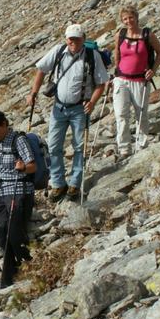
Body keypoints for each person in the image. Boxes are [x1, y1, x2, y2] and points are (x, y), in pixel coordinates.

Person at [27, 23, 108, 202]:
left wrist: (92, 102)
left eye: (77, 39)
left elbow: (101, 83)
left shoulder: (92, 56)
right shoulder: (58, 51)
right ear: (66, 39)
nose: (73, 42)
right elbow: (41, 69)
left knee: (79, 146)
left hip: (80, 109)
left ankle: (75, 183)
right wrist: (33, 92)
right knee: (54, 146)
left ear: (83, 39)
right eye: (70, 39)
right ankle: (58, 183)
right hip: (59, 107)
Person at [0, 110, 35, 288]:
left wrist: (23, 167)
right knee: (1, 231)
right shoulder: (0, 142)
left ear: (4, 124)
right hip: (1, 190)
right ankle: (13, 272)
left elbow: (32, 166)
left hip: (18, 188)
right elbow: (0, 158)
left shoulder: (19, 140)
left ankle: (24, 265)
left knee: (13, 230)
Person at [112, 5, 160, 159]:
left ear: (136, 17)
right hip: (122, 80)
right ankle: (124, 149)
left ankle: (141, 145)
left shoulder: (148, 35)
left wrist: (153, 70)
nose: (128, 21)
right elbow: (117, 53)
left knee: (140, 114)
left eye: (131, 17)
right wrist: (116, 71)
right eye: (125, 19)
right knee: (121, 114)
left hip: (140, 80)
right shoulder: (120, 34)